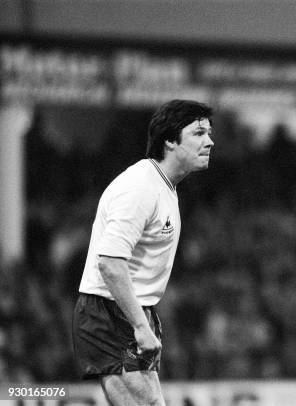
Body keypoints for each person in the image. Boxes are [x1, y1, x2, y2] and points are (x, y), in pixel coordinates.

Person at [72, 100, 214, 406]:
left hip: (128, 311)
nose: (210, 141)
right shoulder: (140, 187)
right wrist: (139, 325)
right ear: (171, 140)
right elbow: (109, 263)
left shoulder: (164, 186)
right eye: (199, 132)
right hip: (110, 312)